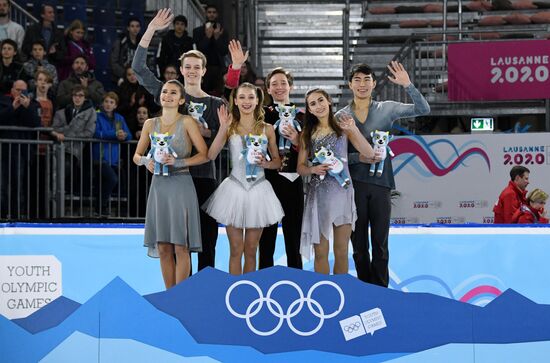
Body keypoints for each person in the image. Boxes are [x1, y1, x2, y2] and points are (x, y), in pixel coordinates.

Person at [131, 8, 244, 271]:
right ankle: (182, 294)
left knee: (206, 240)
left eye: (197, 67)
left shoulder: (215, 103)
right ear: (180, 70)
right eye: (188, 67)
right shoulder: (169, 93)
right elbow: (138, 68)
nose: (192, 71)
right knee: (176, 243)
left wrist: (236, 68)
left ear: (204, 71)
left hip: (204, 176)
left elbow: (230, 119)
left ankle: (205, 294)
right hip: (172, 179)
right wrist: (150, 31)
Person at [336, 62, 430, 287]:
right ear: (350, 84)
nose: (362, 84)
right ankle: (364, 290)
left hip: (381, 184)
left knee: (380, 244)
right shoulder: (340, 116)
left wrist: (408, 84)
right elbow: (336, 157)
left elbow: (423, 109)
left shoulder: (387, 108)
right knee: (358, 247)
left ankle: (381, 292)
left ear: (374, 84)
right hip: (354, 185)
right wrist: (358, 158)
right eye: (357, 80)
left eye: (367, 79)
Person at [132, 80, 209, 289]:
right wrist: (145, 161)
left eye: (173, 92)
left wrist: (179, 161)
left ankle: (181, 297)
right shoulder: (150, 124)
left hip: (181, 186)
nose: (168, 95)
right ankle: (169, 295)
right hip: (159, 187)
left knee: (181, 246)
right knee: (164, 247)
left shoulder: (187, 122)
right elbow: (136, 155)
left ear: (181, 99)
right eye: (165, 91)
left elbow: (204, 155)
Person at [203, 83, 284, 275]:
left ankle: (249, 294)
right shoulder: (230, 127)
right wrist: (222, 128)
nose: (246, 101)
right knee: (236, 250)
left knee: (251, 249)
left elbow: (277, 162)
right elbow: (211, 155)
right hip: (234, 190)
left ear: (257, 101)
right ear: (236, 101)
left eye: (251, 97)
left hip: (259, 191)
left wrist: (266, 163)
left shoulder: (268, 129)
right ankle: (235, 292)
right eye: (242, 97)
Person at [297, 88, 374, 275]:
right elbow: (300, 167)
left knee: (341, 251)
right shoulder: (308, 134)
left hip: (342, 194)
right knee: (321, 253)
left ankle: (342, 296)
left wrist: (353, 129)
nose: (318, 106)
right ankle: (322, 296)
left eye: (321, 100)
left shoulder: (343, 127)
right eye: (313, 104)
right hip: (318, 197)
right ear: (309, 110)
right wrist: (313, 169)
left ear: (329, 101)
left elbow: (370, 153)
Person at [258, 67, 304, 270]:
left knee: (294, 238)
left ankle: (299, 281)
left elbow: (310, 150)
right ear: (268, 89)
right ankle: (264, 281)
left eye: (283, 83)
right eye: (274, 84)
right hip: (267, 181)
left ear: (291, 87)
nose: (279, 87)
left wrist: (296, 140)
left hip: (293, 180)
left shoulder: (303, 116)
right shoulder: (261, 115)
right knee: (266, 238)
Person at [0, 80, 41, 218]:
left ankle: (17, 215)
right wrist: (13, 107)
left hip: (22, 151)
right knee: (3, 185)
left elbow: (36, 123)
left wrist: (27, 107)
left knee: (18, 185)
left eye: (23, 91)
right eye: (17, 90)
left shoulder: (33, 104)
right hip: (3, 150)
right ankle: (3, 214)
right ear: (12, 90)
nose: (20, 93)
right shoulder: (3, 101)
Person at [92, 92, 132, 216]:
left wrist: (124, 136)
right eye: (106, 101)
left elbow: (129, 135)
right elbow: (96, 133)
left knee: (108, 182)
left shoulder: (119, 118)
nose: (108, 104)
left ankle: (100, 209)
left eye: (111, 102)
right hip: (100, 157)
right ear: (103, 103)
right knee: (111, 179)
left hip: (114, 159)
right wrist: (115, 134)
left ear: (115, 105)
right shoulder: (97, 116)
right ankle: (101, 207)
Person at [192, 4, 229, 96]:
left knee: (218, 95)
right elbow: (198, 51)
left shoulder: (223, 31)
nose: (211, 15)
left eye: (214, 12)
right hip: (203, 68)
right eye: (209, 12)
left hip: (218, 69)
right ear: (205, 13)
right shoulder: (198, 31)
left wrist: (217, 38)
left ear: (217, 14)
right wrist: (207, 37)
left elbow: (224, 51)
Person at [116, 66, 158, 135]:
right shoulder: (122, 89)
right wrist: (131, 104)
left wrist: (142, 104)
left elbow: (153, 107)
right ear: (126, 76)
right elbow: (118, 109)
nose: (132, 76)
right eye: (129, 74)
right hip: (127, 123)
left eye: (134, 74)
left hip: (143, 124)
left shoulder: (145, 88)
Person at [110, 17, 142, 86]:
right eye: (132, 26)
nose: (135, 29)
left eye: (137, 26)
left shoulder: (142, 42)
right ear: (128, 28)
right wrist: (126, 74)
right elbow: (113, 62)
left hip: (137, 76)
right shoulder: (120, 42)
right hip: (121, 75)